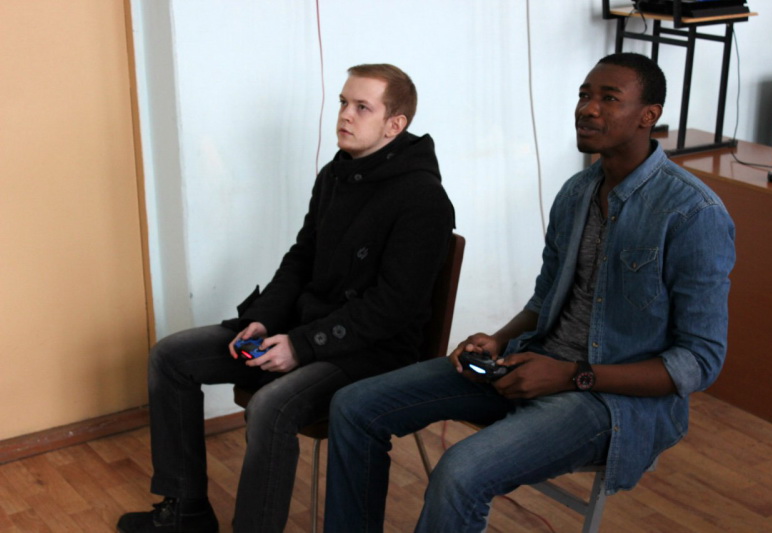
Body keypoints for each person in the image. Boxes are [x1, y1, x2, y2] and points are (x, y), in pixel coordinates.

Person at [323, 52, 736, 533]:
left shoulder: (693, 213)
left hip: (610, 402)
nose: (587, 108)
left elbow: (700, 360)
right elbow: (545, 299)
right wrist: (498, 339)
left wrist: (573, 375)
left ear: (649, 115)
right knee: (353, 406)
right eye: (584, 95)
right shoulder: (576, 192)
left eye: (608, 98)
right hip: (531, 364)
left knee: (460, 471)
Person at [117, 64, 455, 533]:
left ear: (394, 125)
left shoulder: (424, 199)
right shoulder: (335, 175)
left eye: (362, 107)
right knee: (171, 357)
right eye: (343, 102)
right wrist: (262, 319)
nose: (345, 115)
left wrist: (302, 345)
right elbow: (301, 259)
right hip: (305, 331)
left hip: (372, 354)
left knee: (270, 406)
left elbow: (392, 309)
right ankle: (185, 511)